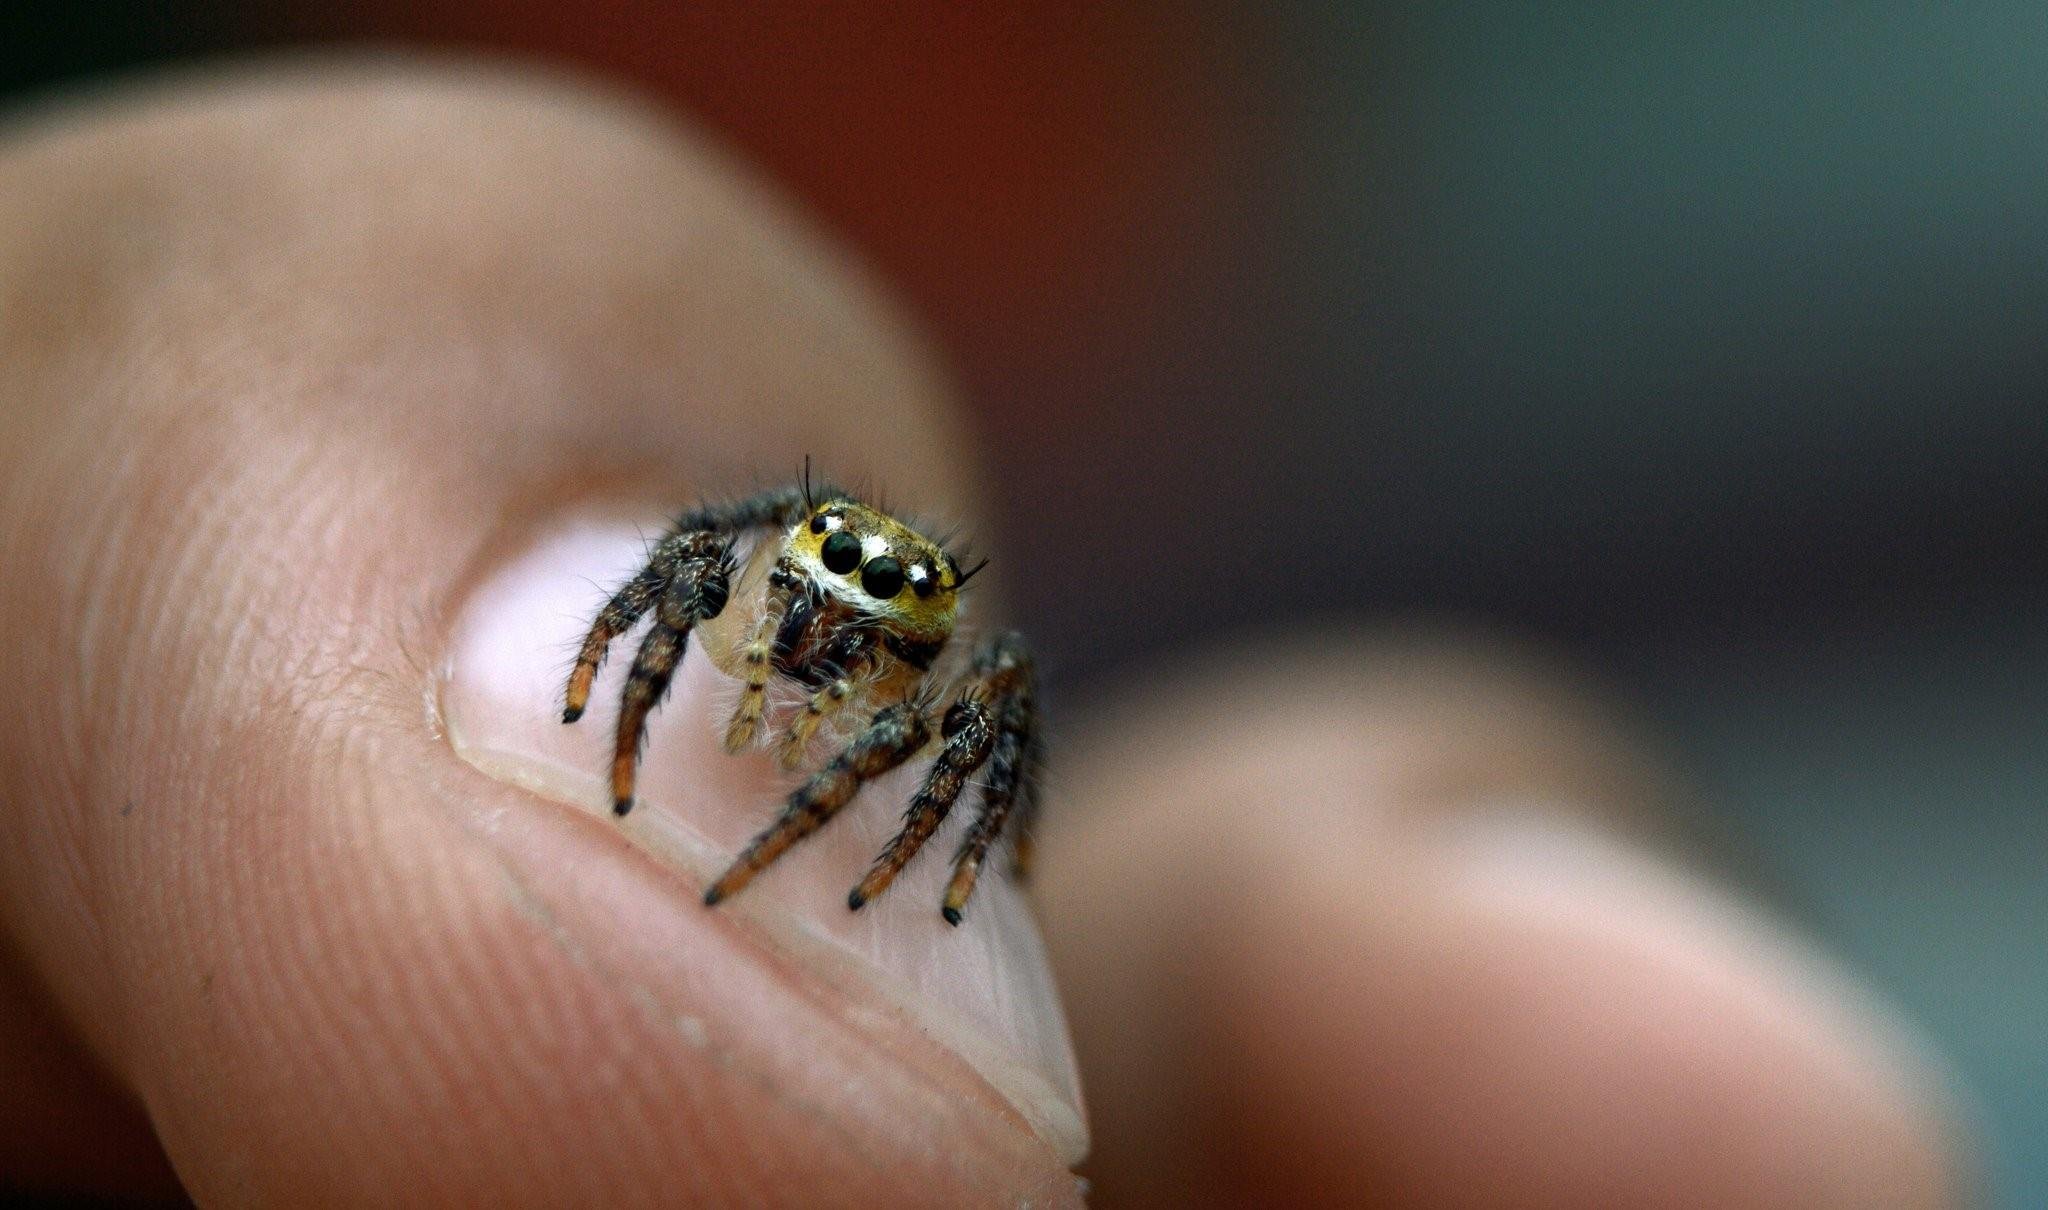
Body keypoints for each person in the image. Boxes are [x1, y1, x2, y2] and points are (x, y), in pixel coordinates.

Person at [0, 62, 1969, 1206]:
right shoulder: (752, 553)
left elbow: (970, 725)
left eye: (868, 634)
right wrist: (599, 674)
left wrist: (939, 867)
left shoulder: (962, 676)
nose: (823, 647)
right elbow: (696, 542)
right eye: (807, 607)